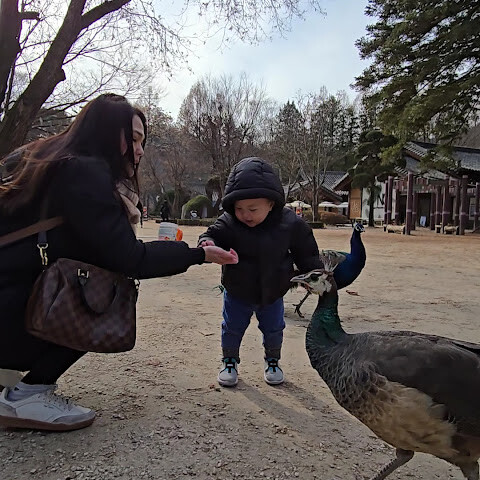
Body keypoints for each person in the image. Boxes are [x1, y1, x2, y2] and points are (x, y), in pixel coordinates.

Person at [0, 93, 238, 432]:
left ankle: (7, 378)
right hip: (10, 312)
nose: (140, 151)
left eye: (143, 141)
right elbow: (130, 258)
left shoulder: (39, 158)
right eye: (135, 139)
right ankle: (27, 395)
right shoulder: (84, 172)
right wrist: (198, 254)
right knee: (107, 293)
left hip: (10, 298)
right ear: (107, 133)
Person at [198, 157, 322, 388]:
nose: (245, 215)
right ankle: (229, 362)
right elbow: (212, 234)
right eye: (239, 208)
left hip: (273, 290)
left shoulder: (290, 223)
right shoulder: (230, 221)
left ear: (271, 204)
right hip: (237, 289)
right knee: (232, 328)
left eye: (253, 209)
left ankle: (272, 361)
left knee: (274, 329)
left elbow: (306, 251)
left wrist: (313, 273)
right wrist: (207, 243)